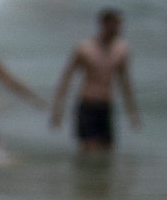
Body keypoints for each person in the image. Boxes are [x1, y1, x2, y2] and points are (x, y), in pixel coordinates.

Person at [49, 9, 141, 157]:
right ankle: (85, 180)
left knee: (108, 153)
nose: (118, 28)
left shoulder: (122, 50)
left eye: (120, 24)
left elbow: (125, 83)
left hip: (106, 106)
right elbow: (66, 79)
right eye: (115, 24)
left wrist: (133, 113)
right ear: (103, 24)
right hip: (87, 105)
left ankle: (102, 181)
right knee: (89, 152)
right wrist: (57, 111)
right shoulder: (84, 48)